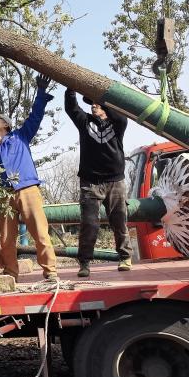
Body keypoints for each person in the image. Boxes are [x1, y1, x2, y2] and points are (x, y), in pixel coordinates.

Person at [0, 74, 58, 281]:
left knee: (40, 232)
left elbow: (36, 116)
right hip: (4, 195)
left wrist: (40, 93)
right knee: (6, 238)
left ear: (5, 123)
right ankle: (11, 274)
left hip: (28, 189)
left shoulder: (20, 137)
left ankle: (50, 272)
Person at [65, 89, 133, 276]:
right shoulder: (85, 122)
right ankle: (85, 263)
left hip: (115, 181)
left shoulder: (118, 123)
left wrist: (103, 98)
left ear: (106, 107)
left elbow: (120, 116)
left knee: (119, 221)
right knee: (90, 224)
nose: (94, 105)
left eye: (97, 103)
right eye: (92, 103)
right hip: (90, 182)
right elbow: (72, 108)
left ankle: (125, 257)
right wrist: (70, 90)